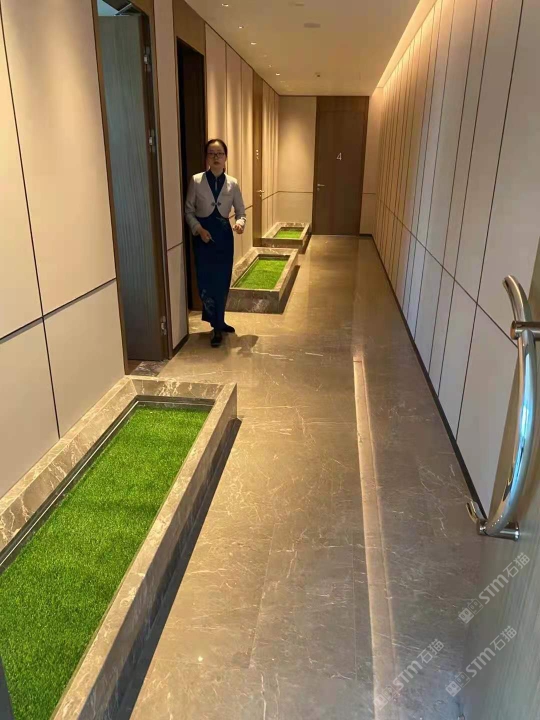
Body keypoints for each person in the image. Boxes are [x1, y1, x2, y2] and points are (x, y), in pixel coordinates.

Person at [185, 139, 246, 347]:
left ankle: (219, 323)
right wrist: (198, 229)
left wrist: (239, 224)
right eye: (212, 153)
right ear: (207, 157)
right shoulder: (196, 180)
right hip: (203, 238)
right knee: (206, 281)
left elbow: (241, 212)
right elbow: (188, 211)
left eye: (219, 153)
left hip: (224, 238)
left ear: (226, 157)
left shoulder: (233, 183)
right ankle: (215, 322)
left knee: (222, 281)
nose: (216, 157)